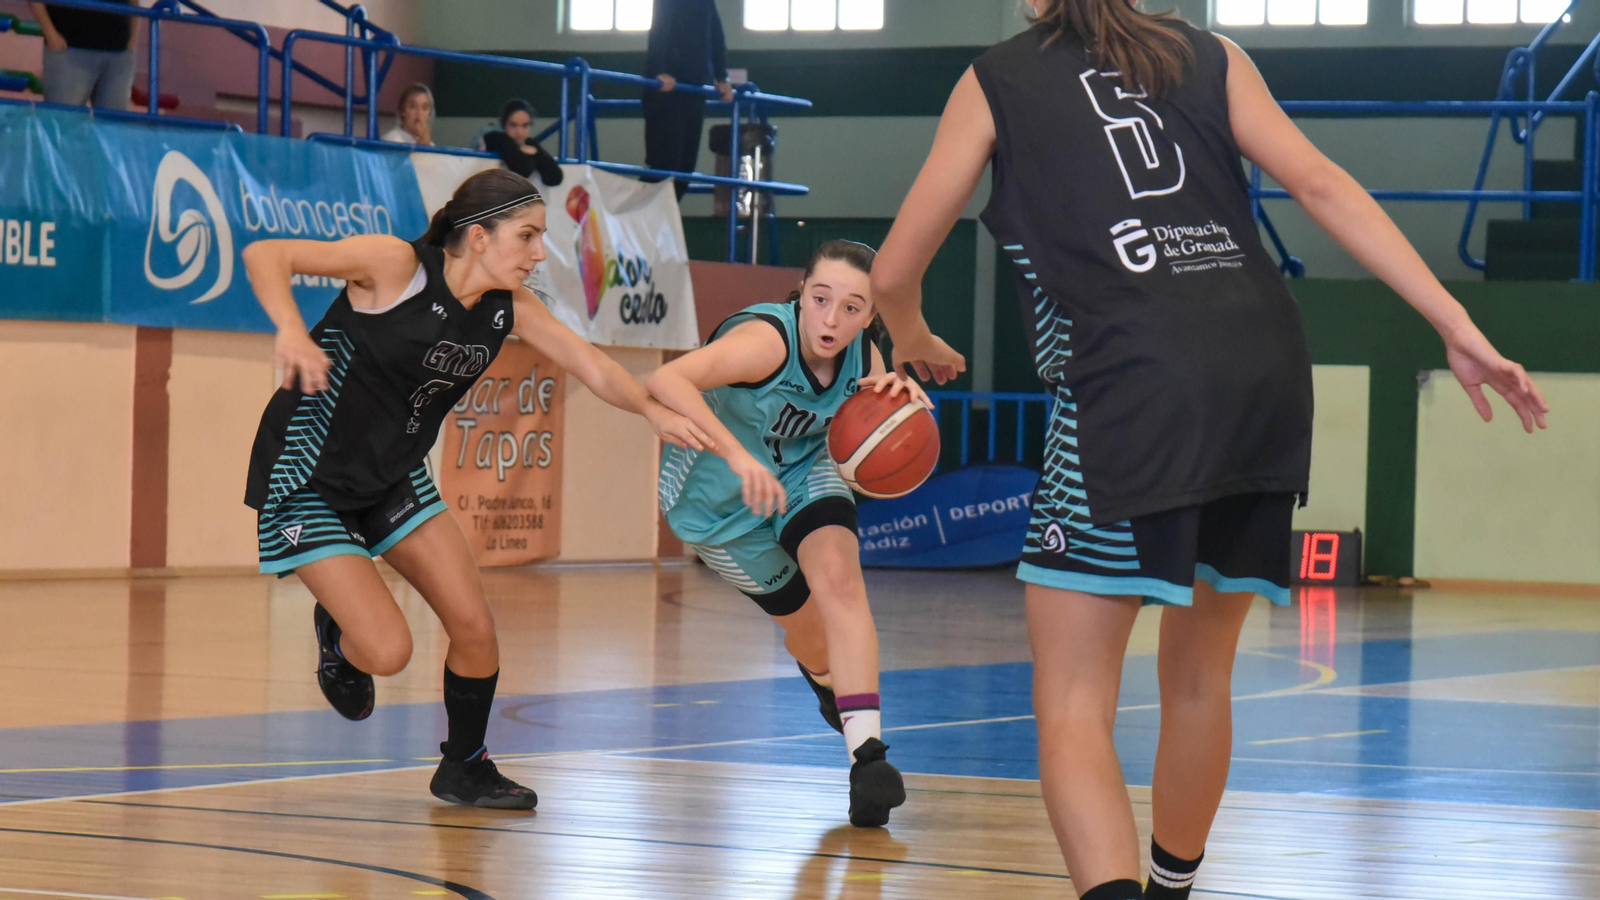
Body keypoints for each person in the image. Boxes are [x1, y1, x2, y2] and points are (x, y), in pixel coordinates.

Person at [869, 2, 1549, 898]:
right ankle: (1170, 888)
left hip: (1131, 381)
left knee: (1073, 700)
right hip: (1263, 369)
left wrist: (910, 333)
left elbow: (888, 273)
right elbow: (1323, 184)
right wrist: (1456, 326)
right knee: (1199, 676)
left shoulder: (996, 78)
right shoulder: (1213, 53)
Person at [242, 169, 709, 810]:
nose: (540, 252)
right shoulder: (395, 265)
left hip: (393, 475)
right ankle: (340, 639)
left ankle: (464, 766)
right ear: (479, 236)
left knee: (475, 627)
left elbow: (594, 365)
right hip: (308, 477)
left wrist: (652, 411)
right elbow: (266, 253)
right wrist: (291, 331)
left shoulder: (509, 309)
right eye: (528, 236)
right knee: (388, 650)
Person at [646, 240, 927, 828]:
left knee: (842, 586)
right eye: (821, 299)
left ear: (871, 315)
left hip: (802, 470)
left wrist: (903, 404)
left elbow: (886, 411)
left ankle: (869, 761)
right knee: (814, 641)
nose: (832, 318)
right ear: (801, 293)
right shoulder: (764, 344)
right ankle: (832, 687)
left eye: (852, 307)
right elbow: (666, 380)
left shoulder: (863, 356)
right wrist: (736, 456)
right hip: (718, 507)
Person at [643, 0, 734, 199]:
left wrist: (721, 77)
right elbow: (660, 28)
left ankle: (658, 224)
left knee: (684, 170)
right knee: (665, 166)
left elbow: (715, 34)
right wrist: (659, 71)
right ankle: (633, 222)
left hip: (694, 88)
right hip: (669, 90)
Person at [29, 0, 138, 111]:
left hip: (119, 52)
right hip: (70, 50)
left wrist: (132, 38)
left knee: (113, 123)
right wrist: (50, 33)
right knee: (62, 120)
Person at [480, 99, 563, 186]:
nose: (519, 132)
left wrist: (538, 154)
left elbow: (555, 178)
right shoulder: (495, 138)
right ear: (503, 124)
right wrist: (529, 153)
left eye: (525, 126)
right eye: (513, 125)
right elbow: (523, 170)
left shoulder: (530, 143)